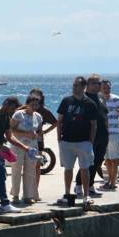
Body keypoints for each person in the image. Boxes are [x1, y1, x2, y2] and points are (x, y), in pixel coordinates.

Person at [56, 76, 97, 207]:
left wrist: (91, 141)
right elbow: (60, 120)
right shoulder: (66, 101)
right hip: (67, 140)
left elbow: (94, 124)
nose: (74, 88)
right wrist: (59, 137)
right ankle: (67, 194)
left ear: (83, 87)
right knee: (68, 168)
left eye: (77, 86)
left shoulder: (89, 103)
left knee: (84, 168)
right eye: (73, 85)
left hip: (83, 141)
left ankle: (86, 195)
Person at [74, 74, 108, 198]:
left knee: (98, 161)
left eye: (100, 83)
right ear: (88, 85)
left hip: (103, 135)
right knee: (87, 162)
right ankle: (78, 186)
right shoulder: (83, 98)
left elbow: (104, 114)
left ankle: (90, 185)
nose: (100, 85)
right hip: (89, 136)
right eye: (96, 83)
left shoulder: (101, 98)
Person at [9, 95, 43, 205]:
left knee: (30, 171)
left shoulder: (38, 116)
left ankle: (28, 195)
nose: (34, 107)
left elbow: (39, 131)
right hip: (18, 145)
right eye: (32, 104)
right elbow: (11, 130)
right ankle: (15, 195)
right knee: (16, 170)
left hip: (32, 146)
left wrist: (37, 137)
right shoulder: (19, 115)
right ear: (27, 104)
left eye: (36, 105)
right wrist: (26, 134)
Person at [100, 80, 119, 191]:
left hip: (114, 133)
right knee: (107, 159)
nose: (106, 90)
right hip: (102, 134)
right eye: (104, 88)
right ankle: (108, 181)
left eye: (108, 88)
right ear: (101, 88)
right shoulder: (98, 100)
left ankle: (113, 182)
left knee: (114, 158)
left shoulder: (116, 99)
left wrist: (117, 126)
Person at [30, 89, 57, 192]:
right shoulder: (25, 109)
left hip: (38, 141)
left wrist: (45, 132)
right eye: (33, 95)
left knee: (37, 166)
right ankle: (27, 190)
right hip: (25, 140)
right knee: (28, 166)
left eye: (37, 96)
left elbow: (55, 122)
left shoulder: (44, 110)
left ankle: (35, 190)